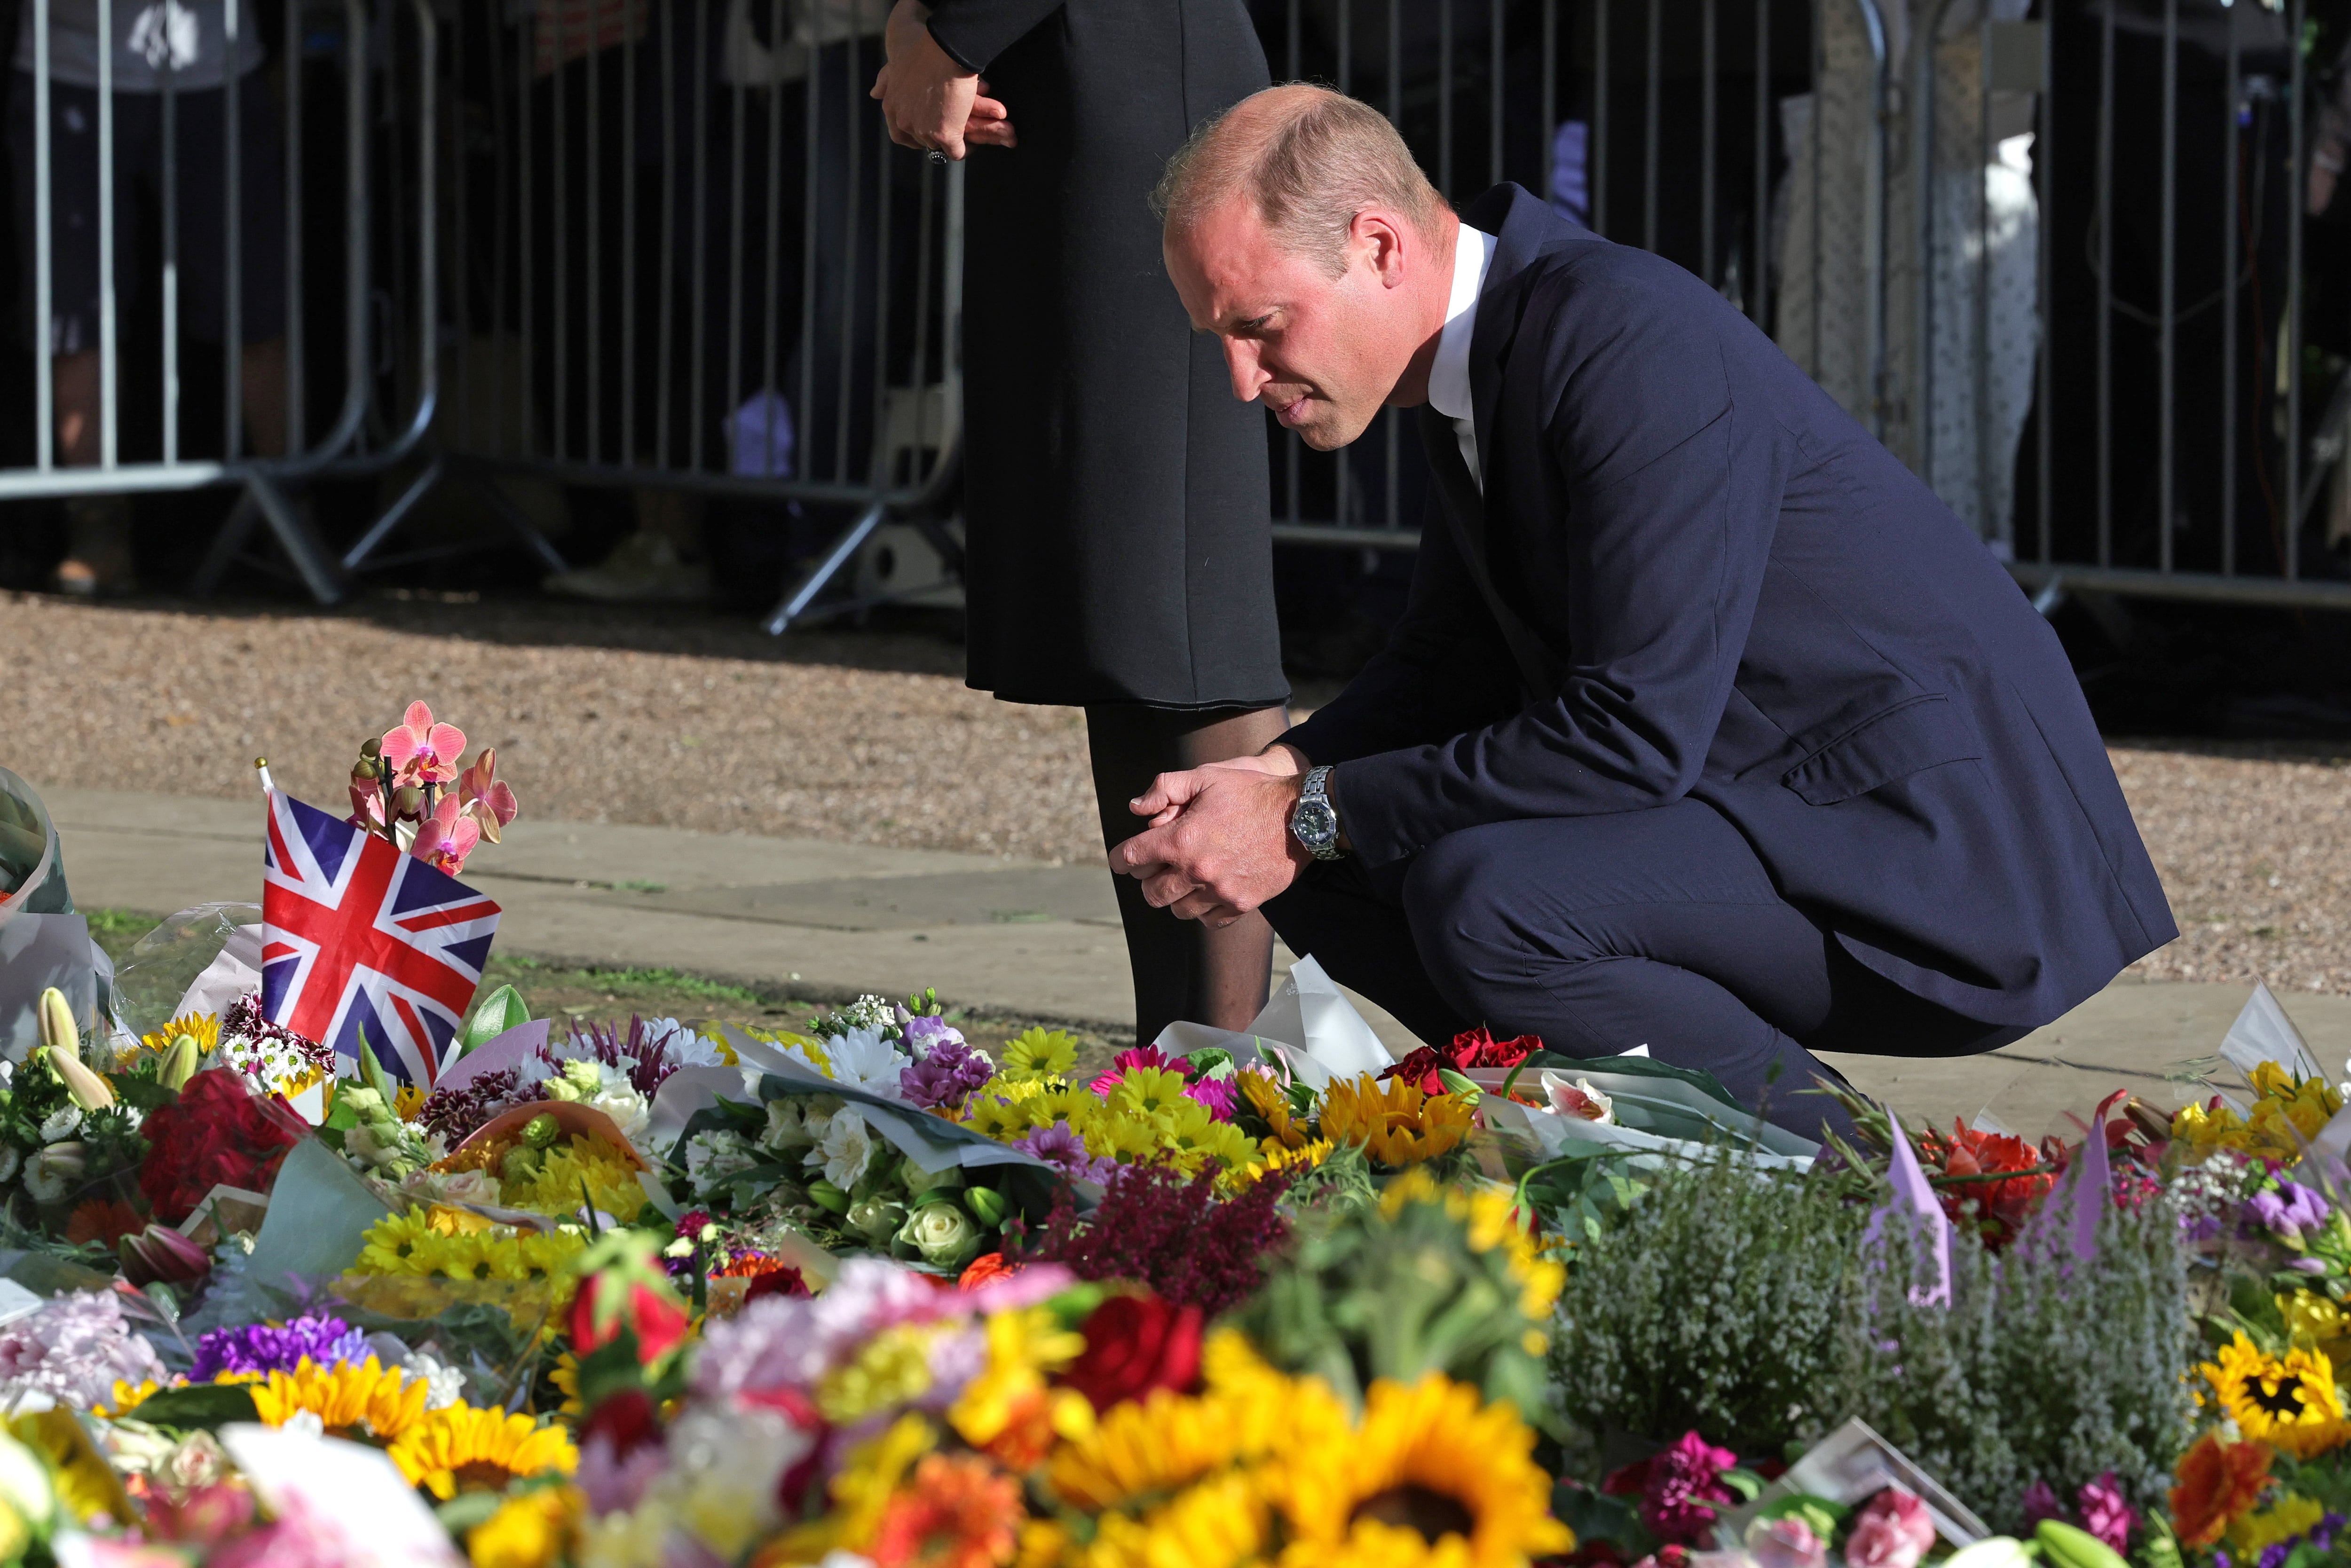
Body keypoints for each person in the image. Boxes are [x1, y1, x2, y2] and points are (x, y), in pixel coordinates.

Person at [1113, 85, 2177, 1141]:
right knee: (1330, 866)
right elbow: (1446, 664)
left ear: (1380, 247)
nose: (1242, 381)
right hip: (1787, 810)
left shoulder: (1621, 332)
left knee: (1490, 902)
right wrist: (1275, 783)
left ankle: (1857, 1198)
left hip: (1938, 862)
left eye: (1259, 327)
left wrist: (1314, 807)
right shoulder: (1481, 354)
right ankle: (1605, 1153)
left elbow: (1633, 732)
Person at [870, 0, 1291, 1043]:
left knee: (1177, 596)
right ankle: (1181, 1060)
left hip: (1136, 74)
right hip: (1070, 76)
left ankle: (1227, 1074)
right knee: (1122, 610)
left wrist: (950, 34)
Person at [10, 0, 291, 594]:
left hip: (218, 66)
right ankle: (97, 525)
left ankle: (290, 511)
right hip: (71, 66)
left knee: (257, 303)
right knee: (75, 311)